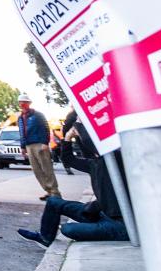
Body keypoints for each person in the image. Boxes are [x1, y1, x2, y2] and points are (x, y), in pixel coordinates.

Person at [18, 112, 127, 245]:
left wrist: (79, 123)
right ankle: (45, 238)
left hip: (121, 225)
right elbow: (68, 160)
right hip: (101, 214)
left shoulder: (115, 158)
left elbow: (90, 142)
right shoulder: (94, 163)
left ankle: (96, 228)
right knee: (53, 202)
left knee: (67, 229)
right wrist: (68, 138)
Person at [17, 93, 60, 200]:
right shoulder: (20, 118)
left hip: (39, 144)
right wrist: (22, 146)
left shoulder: (38, 115)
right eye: (21, 102)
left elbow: (46, 128)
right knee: (36, 170)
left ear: (29, 103)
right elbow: (22, 132)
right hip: (28, 145)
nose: (22, 104)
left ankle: (55, 192)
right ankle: (48, 190)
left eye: (25, 102)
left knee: (47, 168)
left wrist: (45, 143)